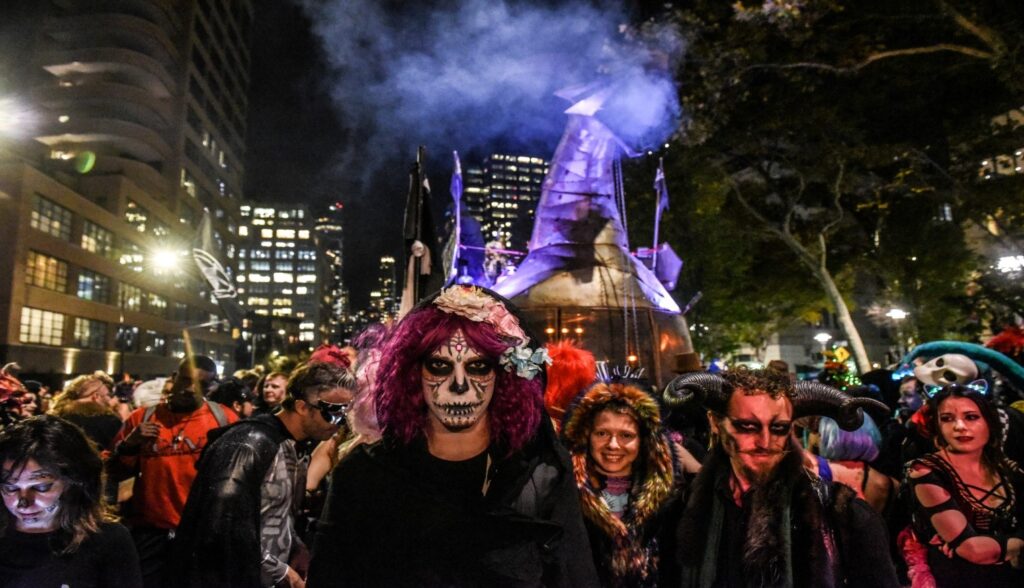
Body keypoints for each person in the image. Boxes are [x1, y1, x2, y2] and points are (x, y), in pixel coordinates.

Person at [307, 285, 599, 587]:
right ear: (412, 374)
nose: (459, 384)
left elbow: (572, 575)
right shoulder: (364, 474)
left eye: (478, 367)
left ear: (503, 377)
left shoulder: (540, 475)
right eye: (439, 366)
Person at [668, 369, 900, 587]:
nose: (765, 442)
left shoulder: (842, 514)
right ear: (715, 423)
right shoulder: (683, 508)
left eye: (778, 428)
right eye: (747, 426)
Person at [172, 361, 356, 588]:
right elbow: (221, 526)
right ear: (301, 407)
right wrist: (279, 571)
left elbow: (273, 515)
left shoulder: (293, 446)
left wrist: (295, 546)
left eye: (344, 415)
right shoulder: (248, 443)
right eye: (332, 413)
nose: (338, 424)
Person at [110, 355, 236, 588]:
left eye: (199, 384)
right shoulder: (142, 418)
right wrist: (130, 443)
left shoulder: (224, 419)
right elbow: (114, 471)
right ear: (174, 378)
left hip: (201, 533)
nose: (189, 389)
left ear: (210, 387)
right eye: (185, 380)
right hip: (151, 532)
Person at [560, 376, 685, 587]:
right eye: (602, 433)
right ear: (585, 436)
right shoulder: (564, 496)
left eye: (626, 435)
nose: (613, 445)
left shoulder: (672, 499)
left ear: (644, 441)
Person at [0, 415, 142, 587]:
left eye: (41, 487)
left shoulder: (108, 541)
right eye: (10, 488)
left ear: (73, 482)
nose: (22, 502)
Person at [905, 383, 1024, 587]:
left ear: (989, 422)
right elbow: (972, 550)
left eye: (971, 417)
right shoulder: (927, 471)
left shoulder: (1004, 466)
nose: (959, 426)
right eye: (947, 419)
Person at [48, 372, 124, 449]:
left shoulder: (56, 415)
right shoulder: (110, 420)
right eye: (108, 395)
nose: (110, 399)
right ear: (96, 396)